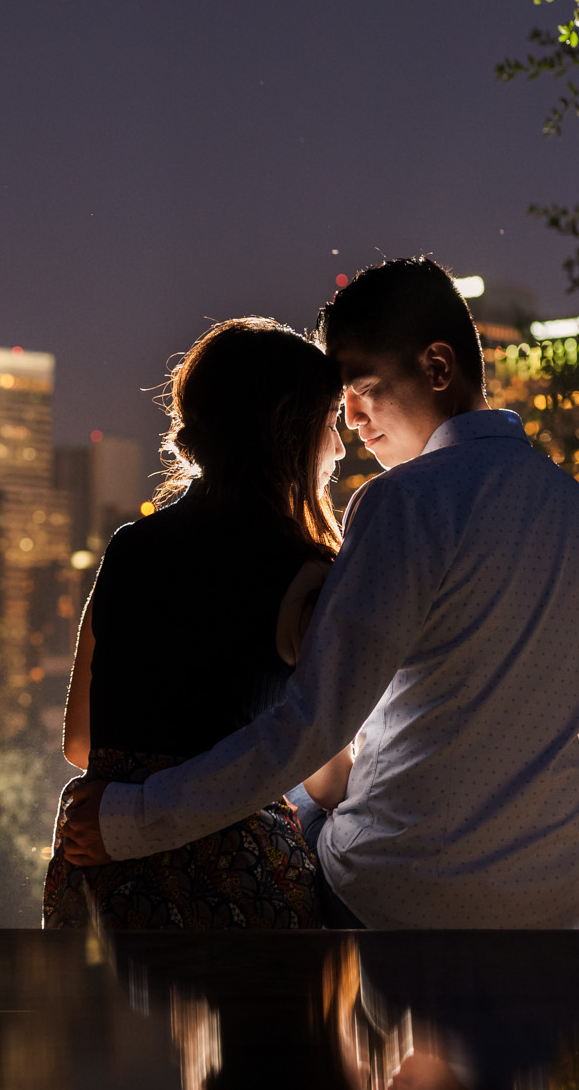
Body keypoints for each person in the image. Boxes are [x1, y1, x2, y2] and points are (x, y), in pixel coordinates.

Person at [58, 257, 579, 929]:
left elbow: (312, 722)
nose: (349, 422)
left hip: (402, 895)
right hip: (558, 900)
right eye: (337, 405)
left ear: (438, 369)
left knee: (309, 797)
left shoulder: (402, 503)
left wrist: (130, 821)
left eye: (359, 388)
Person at [42, 317, 354, 928]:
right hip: (239, 886)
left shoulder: (129, 549)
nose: (340, 447)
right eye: (330, 424)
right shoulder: (306, 574)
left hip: (105, 888)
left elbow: (79, 740)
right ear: (288, 429)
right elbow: (327, 778)